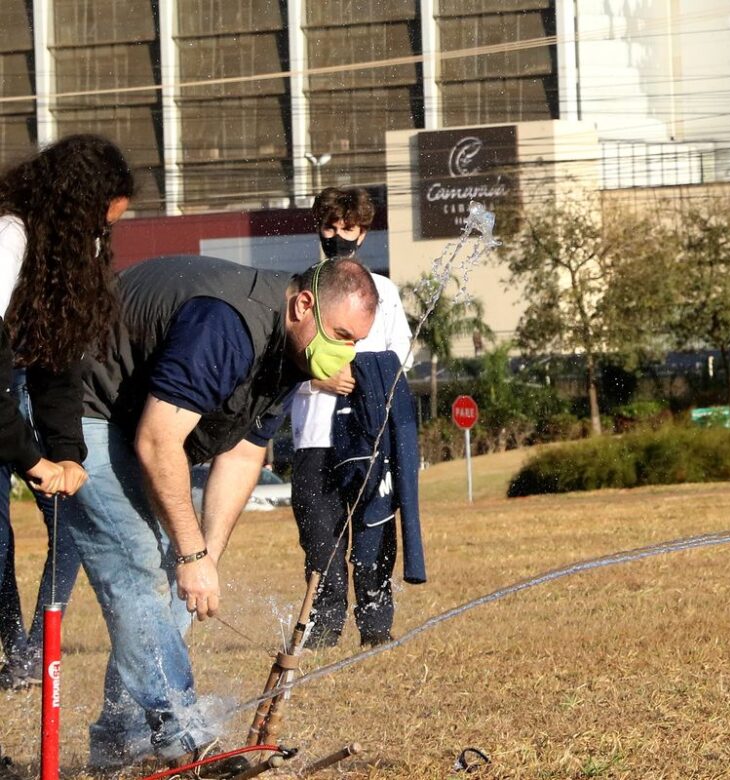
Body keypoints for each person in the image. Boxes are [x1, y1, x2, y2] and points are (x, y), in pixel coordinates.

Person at [61, 254, 378, 770]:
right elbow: (159, 440)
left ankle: (118, 740)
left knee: (171, 577)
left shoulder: (290, 350)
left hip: (135, 420)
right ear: (304, 305)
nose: (346, 356)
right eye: (342, 335)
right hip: (82, 408)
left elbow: (244, 450)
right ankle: (183, 739)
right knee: (139, 564)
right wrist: (190, 553)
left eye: (356, 343)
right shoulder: (228, 325)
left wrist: (206, 554)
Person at [0, 135, 135, 689]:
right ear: (69, 209)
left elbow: (57, 362)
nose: (102, 238)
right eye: (98, 225)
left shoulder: (62, 262)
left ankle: (17, 651)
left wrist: (66, 453)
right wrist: (30, 459)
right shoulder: (9, 236)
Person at [290, 187, 424, 648]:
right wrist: (316, 377)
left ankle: (375, 626)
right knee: (320, 538)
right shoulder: (300, 287)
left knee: (374, 529)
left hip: (369, 435)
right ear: (318, 229)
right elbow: (279, 358)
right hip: (312, 435)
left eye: (348, 228)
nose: (338, 235)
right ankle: (323, 630)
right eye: (330, 226)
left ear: (363, 233)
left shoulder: (382, 291)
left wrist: (364, 375)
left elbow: (400, 355)